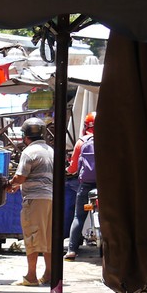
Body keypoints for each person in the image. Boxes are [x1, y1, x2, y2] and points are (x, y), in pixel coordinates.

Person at [7, 117, 53, 286]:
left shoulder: (29, 152)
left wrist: (9, 184)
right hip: (52, 198)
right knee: (49, 238)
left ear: (26, 137)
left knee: (32, 236)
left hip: (35, 199)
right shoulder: (50, 150)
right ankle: (49, 273)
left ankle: (31, 276)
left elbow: (20, 177)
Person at [65, 111, 97, 261]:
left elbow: (73, 168)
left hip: (86, 184)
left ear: (86, 126)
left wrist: (68, 170)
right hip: (105, 185)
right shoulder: (109, 139)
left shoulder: (81, 142)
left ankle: (71, 250)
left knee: (79, 216)